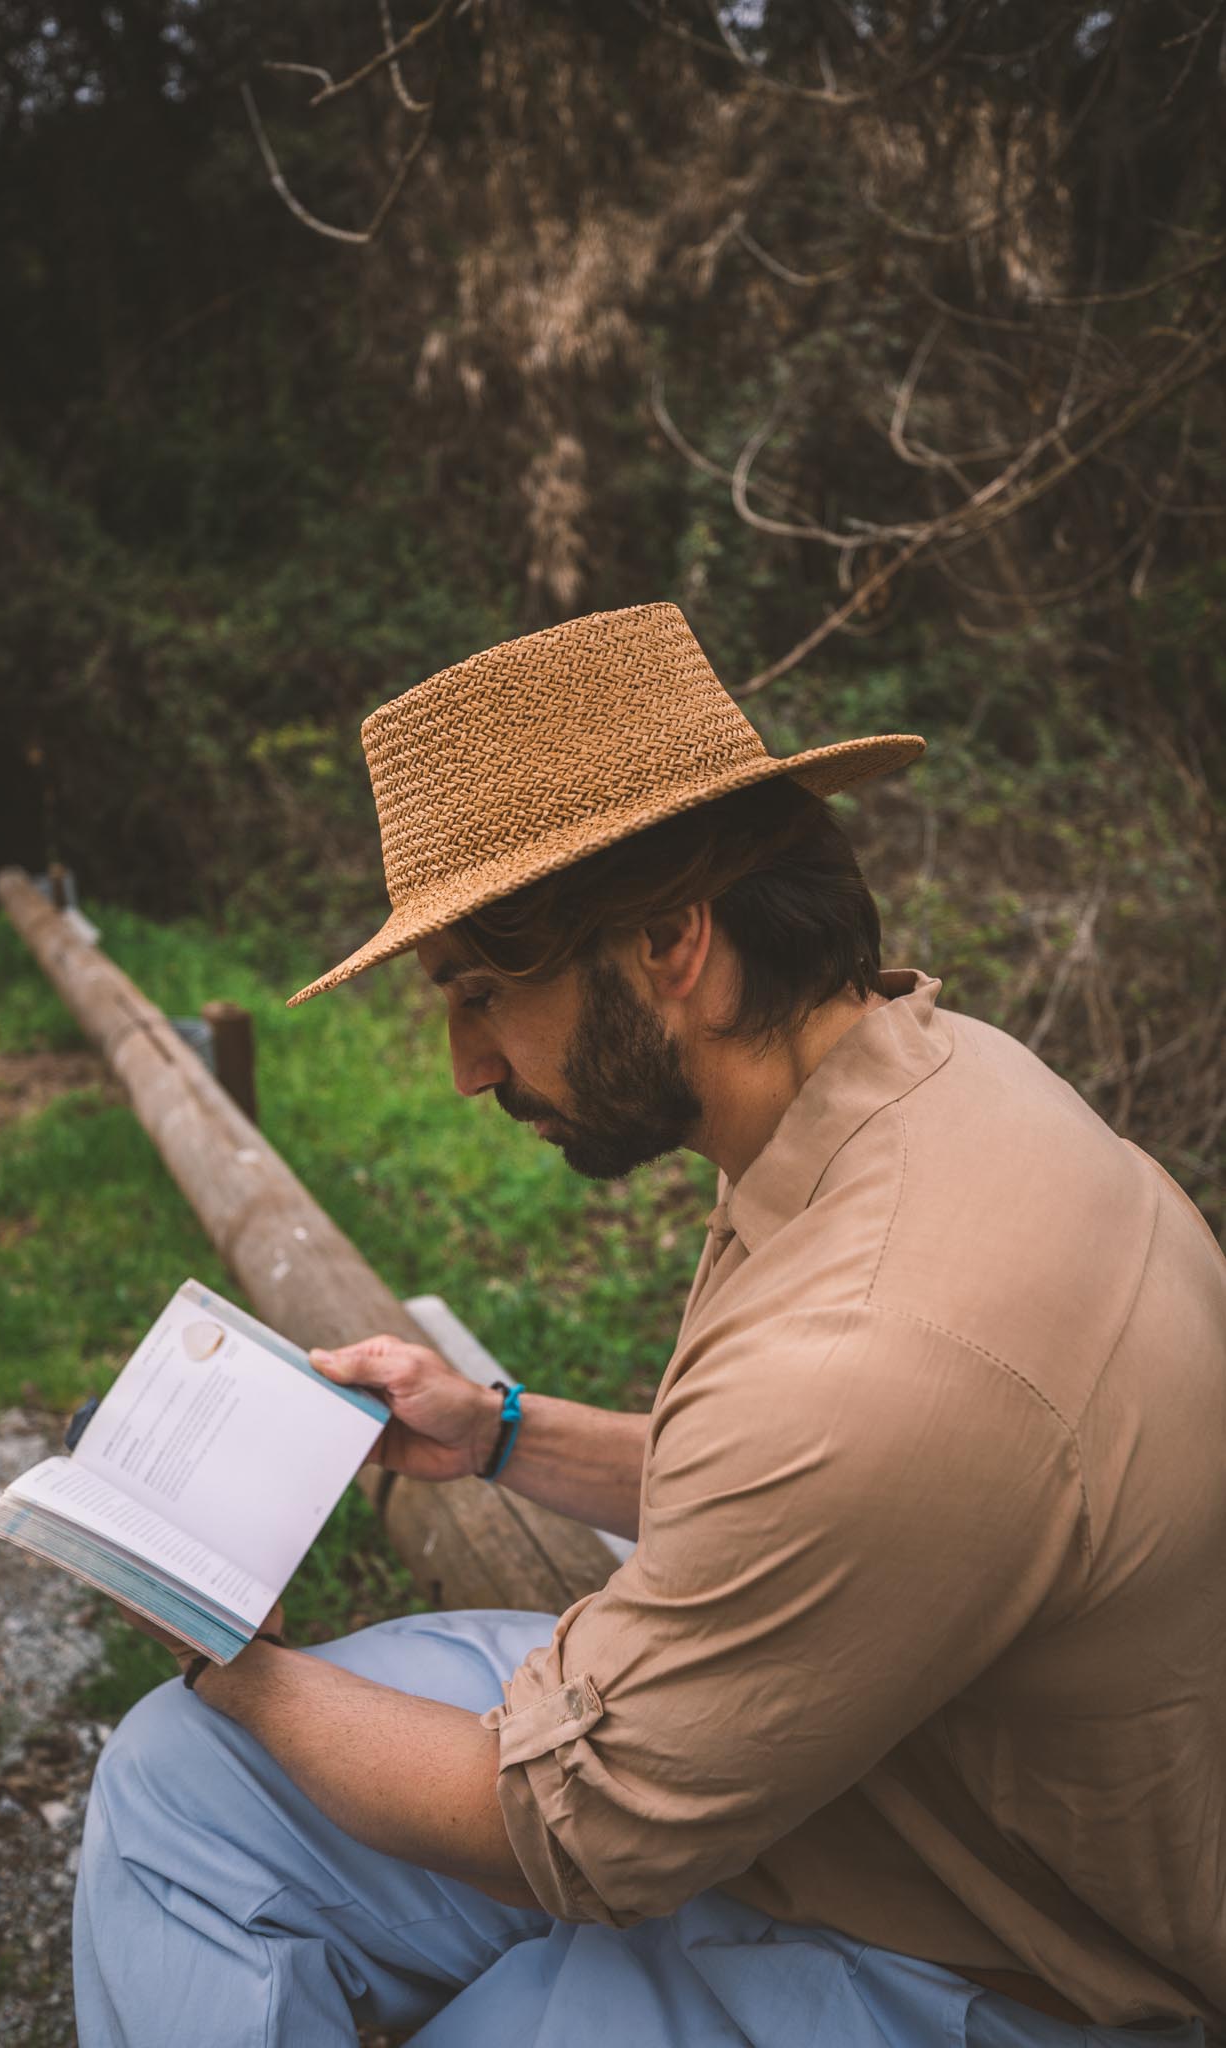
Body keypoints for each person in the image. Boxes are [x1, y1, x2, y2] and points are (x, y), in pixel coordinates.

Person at [74, 602, 1226, 2048]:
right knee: (177, 1790)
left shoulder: (877, 1347)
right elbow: (815, 1514)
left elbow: (576, 1834)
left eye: (485, 994)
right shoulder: (930, 1079)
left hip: (978, 1955)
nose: (465, 1066)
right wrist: (497, 1432)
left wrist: (225, 1656)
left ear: (671, 938)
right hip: (842, 1761)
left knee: (253, 1765)